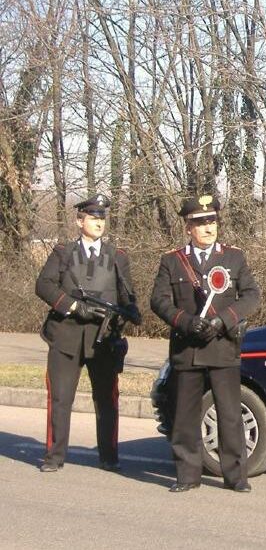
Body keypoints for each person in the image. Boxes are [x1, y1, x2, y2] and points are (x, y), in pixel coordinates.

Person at [150, 194, 261, 493]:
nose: (208, 228)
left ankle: (236, 477)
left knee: (229, 414)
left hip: (223, 346)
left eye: (211, 221)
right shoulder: (172, 261)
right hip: (188, 349)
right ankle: (187, 475)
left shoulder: (233, 257)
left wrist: (224, 319)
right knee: (184, 416)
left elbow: (251, 296)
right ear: (188, 227)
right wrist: (185, 321)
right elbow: (158, 301)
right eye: (200, 223)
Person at [35, 194, 141, 473]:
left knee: (107, 399)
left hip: (103, 339)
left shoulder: (117, 257)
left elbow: (127, 294)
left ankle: (108, 455)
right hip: (65, 336)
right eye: (93, 218)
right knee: (60, 398)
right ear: (79, 221)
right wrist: (72, 307)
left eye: (102, 218)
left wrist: (129, 314)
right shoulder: (63, 253)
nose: (98, 223)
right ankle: (54, 456)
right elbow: (44, 285)